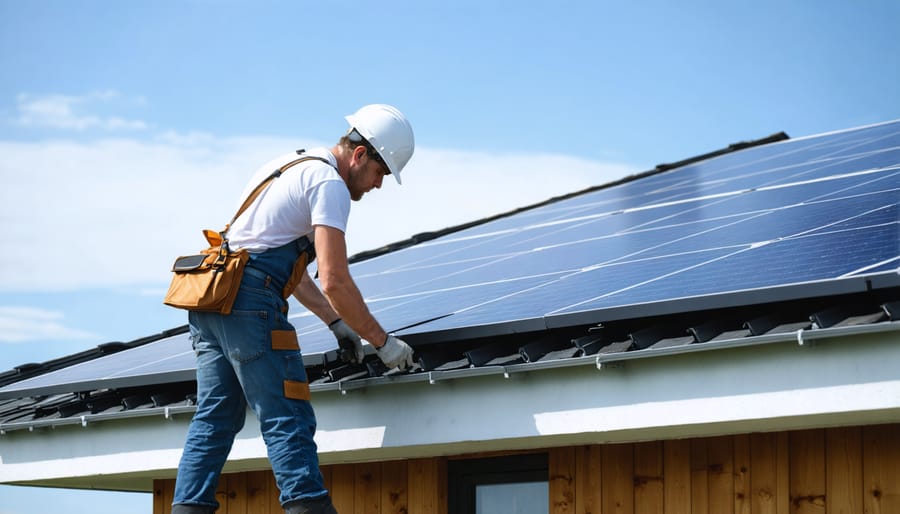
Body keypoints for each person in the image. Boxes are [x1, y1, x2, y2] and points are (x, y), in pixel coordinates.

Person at [172, 104, 417, 514]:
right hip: (249, 305)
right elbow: (334, 279)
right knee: (287, 415)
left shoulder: (289, 164)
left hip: (214, 302)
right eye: (380, 174)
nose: (377, 186)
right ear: (360, 155)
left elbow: (284, 268)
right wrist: (384, 343)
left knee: (215, 418)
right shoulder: (330, 185)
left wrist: (336, 323)